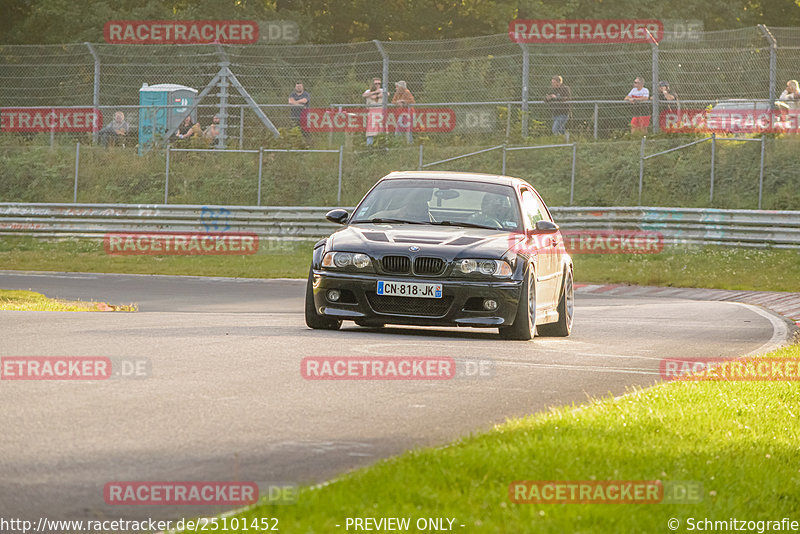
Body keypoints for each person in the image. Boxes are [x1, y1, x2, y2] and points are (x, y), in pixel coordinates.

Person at [362, 78, 386, 146]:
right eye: (376, 84)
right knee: (370, 131)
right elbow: (364, 95)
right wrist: (374, 93)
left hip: (380, 113)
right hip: (372, 114)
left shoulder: (382, 91)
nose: (378, 85)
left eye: (379, 84)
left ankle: (383, 146)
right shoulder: (368, 91)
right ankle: (369, 146)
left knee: (381, 130)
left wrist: (378, 95)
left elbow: (387, 93)